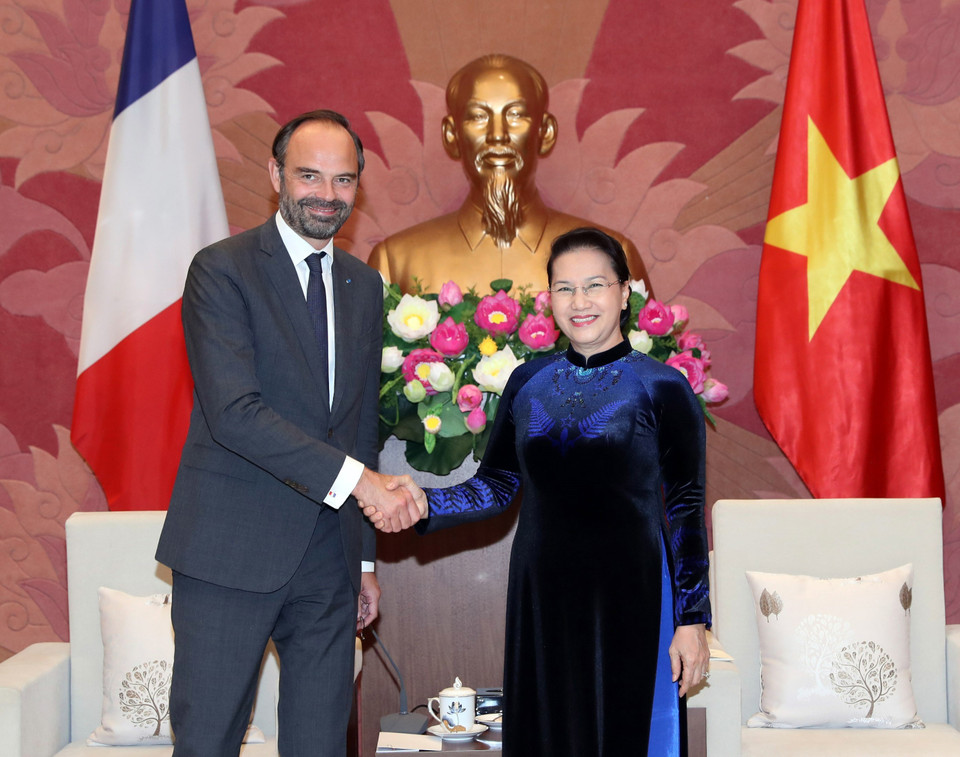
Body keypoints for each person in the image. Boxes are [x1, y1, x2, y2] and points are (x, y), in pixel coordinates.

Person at [366, 227, 710, 757]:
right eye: (565, 288)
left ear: (624, 293)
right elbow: (497, 484)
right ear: (550, 299)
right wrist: (424, 502)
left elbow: (685, 506)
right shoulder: (528, 381)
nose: (580, 301)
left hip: (634, 591)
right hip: (542, 590)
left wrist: (691, 621)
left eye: (594, 285)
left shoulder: (663, 386)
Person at [155, 110, 425, 757]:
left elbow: (357, 424)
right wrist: (362, 484)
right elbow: (235, 413)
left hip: (329, 559)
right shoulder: (221, 270)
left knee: (321, 744)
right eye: (309, 176)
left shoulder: (364, 285)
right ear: (276, 175)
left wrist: (364, 562)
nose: (326, 195)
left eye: (343, 180)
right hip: (230, 551)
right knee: (209, 741)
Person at [367, 54, 652, 295]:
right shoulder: (396, 262)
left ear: (545, 132)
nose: (498, 135)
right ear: (451, 135)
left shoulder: (614, 256)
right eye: (478, 116)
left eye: (516, 115)